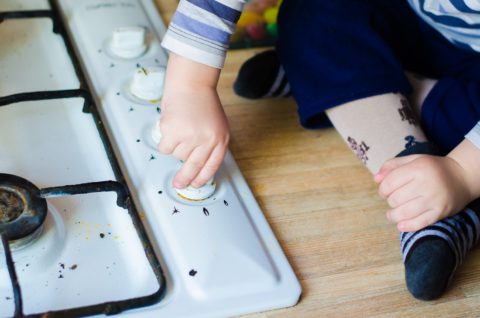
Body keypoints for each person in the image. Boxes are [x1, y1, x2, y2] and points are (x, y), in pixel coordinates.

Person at [159, 0, 480, 300]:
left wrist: (462, 174)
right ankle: (339, 83)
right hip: (414, 24)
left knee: (461, 124)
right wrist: (190, 83)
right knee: (313, 11)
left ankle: (339, 88)